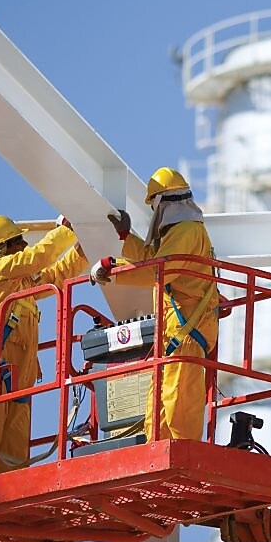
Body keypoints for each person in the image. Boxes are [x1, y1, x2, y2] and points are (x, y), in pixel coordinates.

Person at [0, 214, 87, 484]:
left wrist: (82, 252)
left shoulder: (20, 284)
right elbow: (37, 258)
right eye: (18, 240)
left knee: (14, 444)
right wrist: (65, 232)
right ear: (3, 247)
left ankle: (10, 491)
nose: (24, 244)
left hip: (18, 378)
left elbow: (55, 277)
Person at [90, 167, 217, 441]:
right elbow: (155, 259)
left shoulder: (185, 231)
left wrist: (113, 269)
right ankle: (158, 452)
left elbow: (158, 271)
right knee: (158, 407)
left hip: (186, 332)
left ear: (162, 204)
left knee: (177, 402)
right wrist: (127, 237)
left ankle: (184, 454)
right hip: (177, 331)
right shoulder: (181, 232)